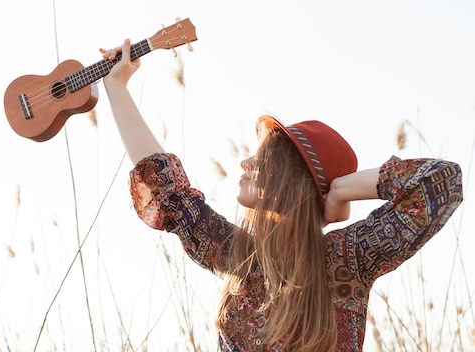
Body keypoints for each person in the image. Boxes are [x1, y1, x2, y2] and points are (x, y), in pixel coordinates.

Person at [100, 39, 464, 352]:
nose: (245, 163)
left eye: (261, 157)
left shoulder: (348, 259)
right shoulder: (236, 254)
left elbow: (442, 182)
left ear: (293, 178)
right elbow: (168, 189)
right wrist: (117, 88)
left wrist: (339, 188)